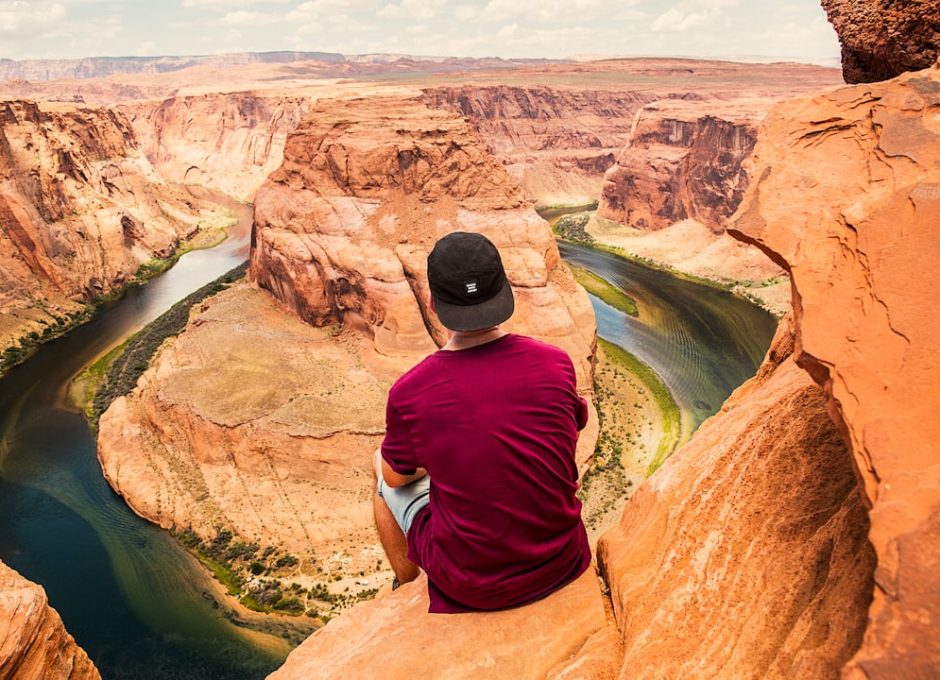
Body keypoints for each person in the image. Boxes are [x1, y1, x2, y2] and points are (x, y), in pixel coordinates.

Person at [372, 231, 591, 613]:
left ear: (432, 303)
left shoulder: (412, 392)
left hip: (475, 586)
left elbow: (396, 480)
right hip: (563, 560)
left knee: (380, 471)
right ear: (505, 291)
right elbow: (569, 429)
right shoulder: (555, 362)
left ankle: (405, 586)